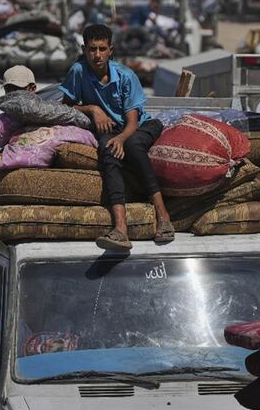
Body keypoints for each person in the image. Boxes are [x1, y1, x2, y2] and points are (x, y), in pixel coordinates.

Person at [59, 24, 175, 250]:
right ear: (84, 50)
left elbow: (132, 122)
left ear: (110, 50)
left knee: (133, 146)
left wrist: (120, 139)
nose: (97, 55)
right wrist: (92, 109)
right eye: (92, 49)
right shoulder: (78, 71)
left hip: (139, 127)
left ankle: (163, 215)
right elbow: (66, 106)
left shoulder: (125, 76)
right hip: (109, 129)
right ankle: (120, 228)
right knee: (109, 153)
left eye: (102, 49)